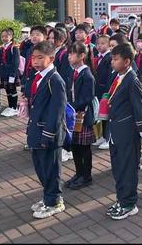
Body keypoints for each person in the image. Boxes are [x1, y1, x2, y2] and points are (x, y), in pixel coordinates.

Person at [105, 43, 142, 220]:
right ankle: (121, 199)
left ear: (127, 61)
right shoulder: (118, 76)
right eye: (112, 59)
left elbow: (140, 107)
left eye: (116, 59)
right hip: (115, 131)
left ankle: (129, 203)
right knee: (118, 168)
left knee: (128, 168)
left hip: (127, 132)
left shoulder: (132, 80)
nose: (112, 63)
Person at [25, 41, 67, 220]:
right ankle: (48, 196)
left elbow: (57, 110)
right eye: (33, 57)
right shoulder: (38, 76)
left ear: (51, 58)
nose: (35, 61)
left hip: (49, 133)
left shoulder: (55, 80)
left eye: (40, 57)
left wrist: (47, 134)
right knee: (41, 167)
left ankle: (55, 201)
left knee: (51, 168)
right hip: (37, 130)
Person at [65, 43, 96, 190]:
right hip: (73, 116)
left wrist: (71, 106)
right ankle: (78, 173)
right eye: (69, 54)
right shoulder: (73, 72)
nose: (69, 56)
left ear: (82, 56)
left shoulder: (87, 75)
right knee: (75, 146)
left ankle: (86, 176)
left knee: (84, 148)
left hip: (82, 116)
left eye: (72, 54)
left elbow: (87, 98)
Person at [95, 34, 113, 150]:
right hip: (98, 90)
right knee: (100, 115)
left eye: (103, 43)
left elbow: (109, 77)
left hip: (105, 90)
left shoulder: (109, 58)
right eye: (98, 44)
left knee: (107, 114)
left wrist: (107, 91)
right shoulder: (98, 57)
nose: (100, 46)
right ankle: (101, 135)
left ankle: (107, 137)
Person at [0, 28, 20, 118]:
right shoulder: (2, 48)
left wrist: (13, 75)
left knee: (12, 90)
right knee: (7, 90)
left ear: (11, 37)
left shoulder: (13, 48)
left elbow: (16, 62)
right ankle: (10, 106)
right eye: (2, 36)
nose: (4, 38)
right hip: (4, 73)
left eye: (6, 36)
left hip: (11, 73)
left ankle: (14, 108)